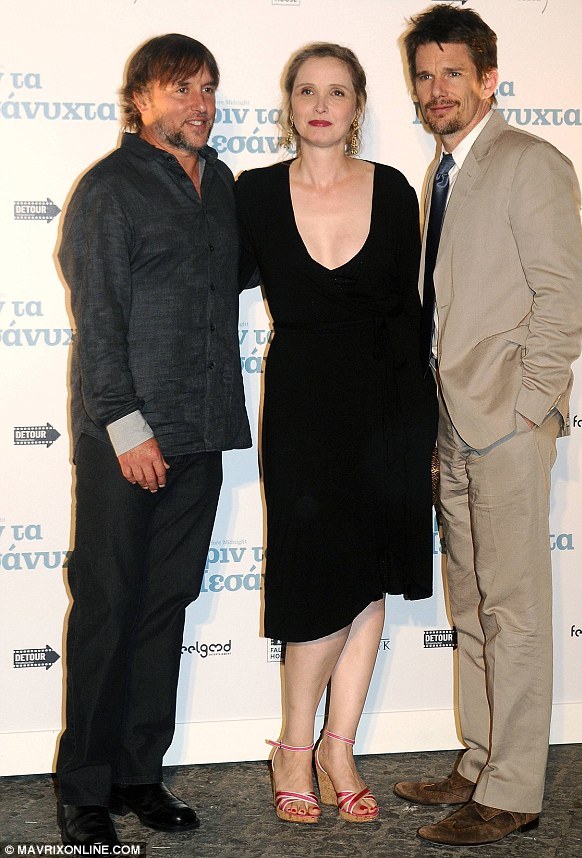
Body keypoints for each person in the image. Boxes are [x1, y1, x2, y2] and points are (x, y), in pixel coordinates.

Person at [393, 5, 582, 847]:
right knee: (471, 605)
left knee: (514, 610)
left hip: (505, 422)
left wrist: (525, 408)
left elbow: (562, 299)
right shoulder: (441, 173)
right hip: (452, 423)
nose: (436, 89)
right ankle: (479, 762)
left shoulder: (529, 162)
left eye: (452, 73)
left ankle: (513, 790)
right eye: (424, 75)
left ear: (488, 79)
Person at [56, 34, 251, 846]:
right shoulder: (109, 188)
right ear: (140, 100)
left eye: (207, 88)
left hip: (201, 430)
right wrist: (127, 428)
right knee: (109, 606)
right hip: (127, 439)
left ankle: (139, 775)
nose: (199, 104)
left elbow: (237, 276)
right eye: (181, 89)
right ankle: (84, 790)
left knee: (164, 607)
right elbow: (98, 319)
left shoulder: (224, 185)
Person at [236, 42, 438, 825]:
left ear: (358, 107)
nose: (321, 105)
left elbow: (412, 317)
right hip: (303, 405)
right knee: (317, 577)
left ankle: (338, 748)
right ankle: (294, 746)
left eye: (338, 92)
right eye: (307, 91)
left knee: (370, 578)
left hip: (386, 403)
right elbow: (208, 282)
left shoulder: (392, 188)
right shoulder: (254, 193)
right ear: (289, 103)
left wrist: (421, 428)